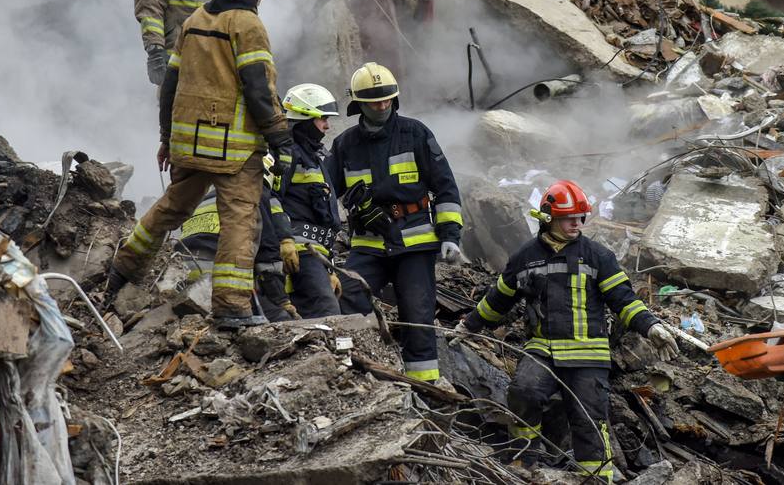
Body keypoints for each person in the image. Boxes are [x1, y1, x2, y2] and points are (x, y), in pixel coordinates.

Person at [106, 0, 294, 328]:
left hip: (189, 146)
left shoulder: (193, 21)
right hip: (234, 153)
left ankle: (121, 270)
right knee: (241, 220)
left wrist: (165, 138)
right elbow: (259, 89)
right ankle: (231, 307)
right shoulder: (248, 26)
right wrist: (281, 139)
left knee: (170, 208)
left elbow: (170, 85)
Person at [454, 180, 680, 480]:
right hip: (542, 348)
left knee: (588, 418)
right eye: (569, 218)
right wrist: (468, 326)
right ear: (548, 218)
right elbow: (498, 299)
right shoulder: (525, 257)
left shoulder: (598, 255)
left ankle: (597, 477)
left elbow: (623, 299)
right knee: (524, 392)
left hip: (588, 353)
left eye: (580, 217)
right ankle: (523, 462)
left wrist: (651, 327)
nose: (577, 223)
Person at [331, 62, 464, 384]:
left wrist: (450, 235)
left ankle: (425, 386)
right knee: (348, 296)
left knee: (417, 313)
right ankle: (355, 373)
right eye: (374, 101)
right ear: (358, 104)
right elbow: (325, 191)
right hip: (369, 244)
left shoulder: (415, 133)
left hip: (415, 243)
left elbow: (445, 186)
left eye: (387, 99)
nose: (382, 105)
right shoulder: (345, 144)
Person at [253, 84, 345, 320]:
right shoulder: (286, 154)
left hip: (315, 255)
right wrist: (285, 239)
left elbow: (324, 219)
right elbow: (268, 196)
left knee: (315, 315)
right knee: (327, 315)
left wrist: (329, 266)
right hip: (298, 251)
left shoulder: (314, 158)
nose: (327, 126)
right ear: (304, 119)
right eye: (322, 119)